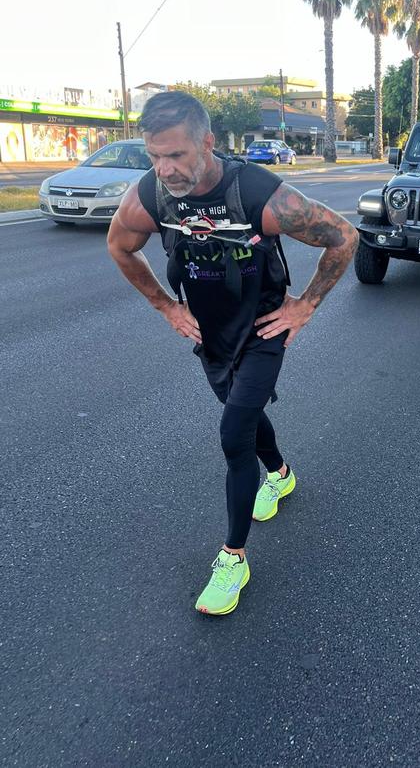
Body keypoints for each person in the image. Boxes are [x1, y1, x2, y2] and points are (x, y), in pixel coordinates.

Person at [107, 91, 358, 616]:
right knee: (242, 415)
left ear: (207, 142)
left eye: (175, 155)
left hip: (265, 329)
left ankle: (233, 557)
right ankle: (282, 474)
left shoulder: (259, 195)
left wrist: (305, 307)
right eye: (154, 156)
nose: (165, 168)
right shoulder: (151, 196)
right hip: (209, 334)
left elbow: (343, 237)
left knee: (232, 432)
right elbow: (120, 246)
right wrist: (166, 309)